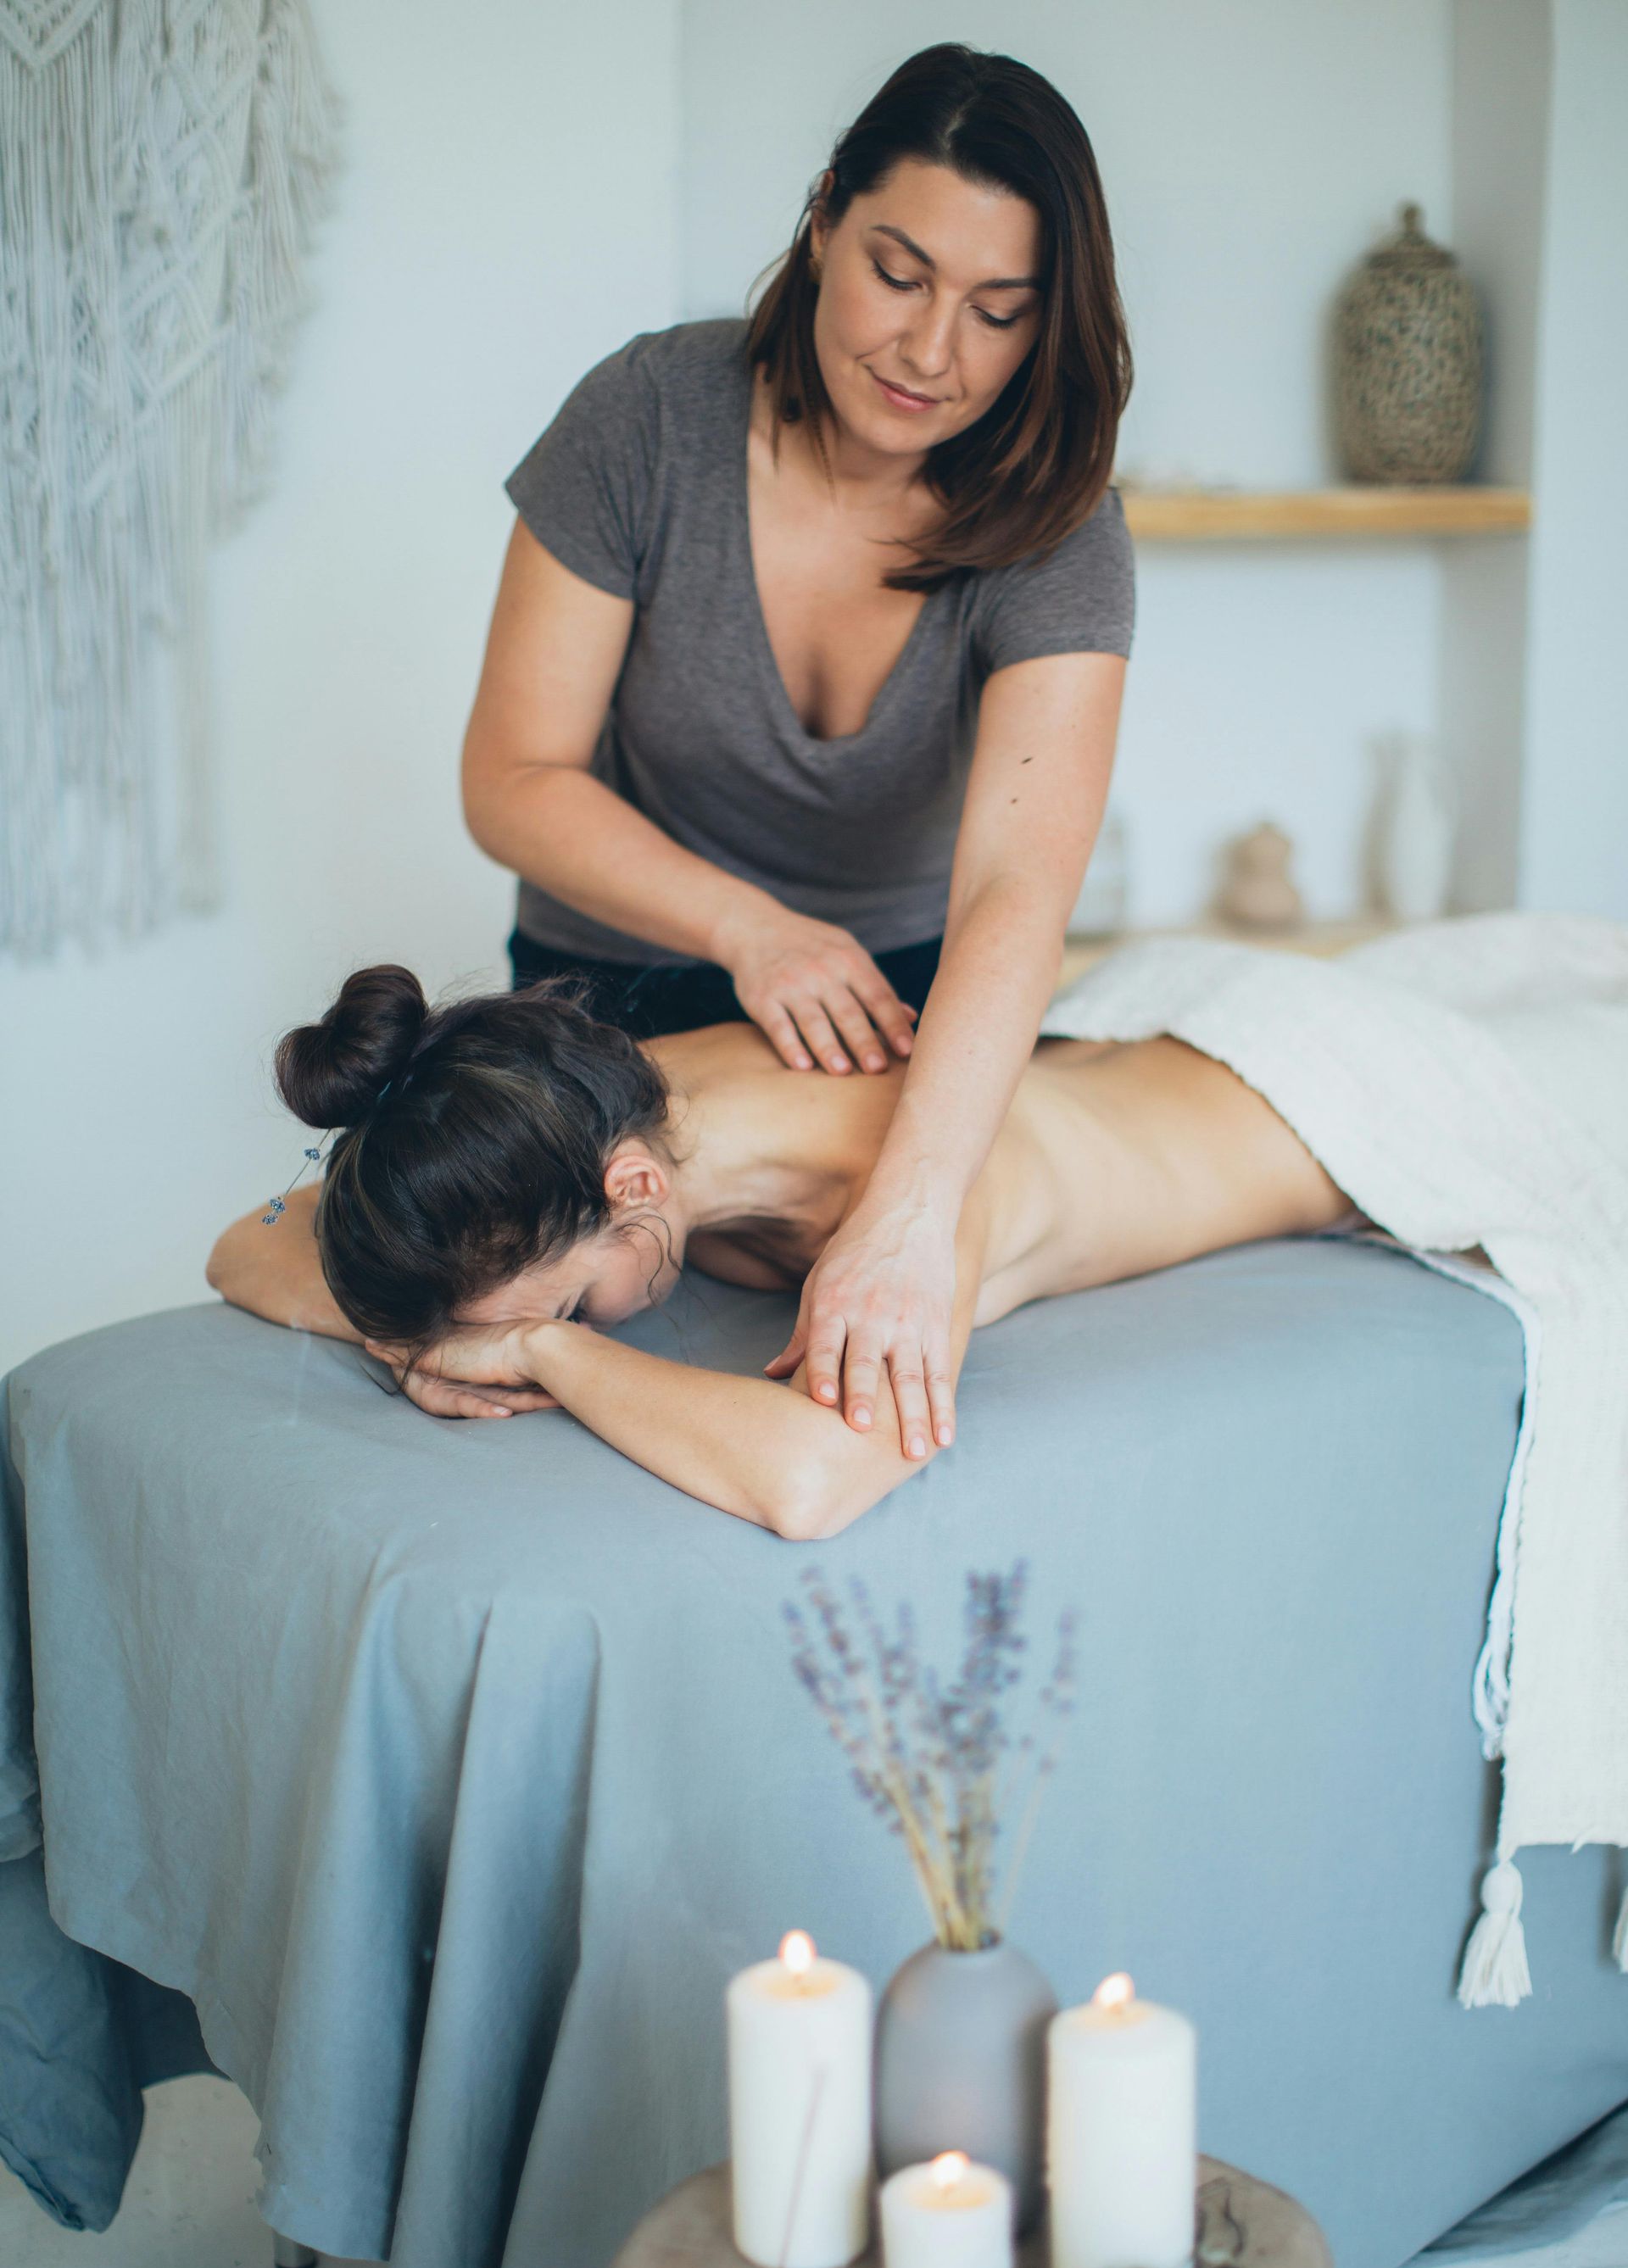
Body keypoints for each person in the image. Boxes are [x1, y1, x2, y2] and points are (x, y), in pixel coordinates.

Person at [462, 42, 1135, 1467]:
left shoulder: (1059, 522)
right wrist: (749, 929)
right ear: (824, 216)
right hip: (617, 995)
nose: (932, 351)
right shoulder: (646, 418)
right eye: (899, 272)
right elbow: (510, 778)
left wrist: (909, 1211)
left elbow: (1017, 891)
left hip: (886, 1017)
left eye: (998, 311)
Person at [206, 966, 1350, 1541]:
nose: (552, 1324)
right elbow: (240, 1251)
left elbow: (815, 1483)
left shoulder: (914, 1191)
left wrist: (541, 1356)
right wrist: (423, 1337)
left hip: (1324, 1109)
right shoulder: (610, 1105)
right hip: (1136, 1010)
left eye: (561, 1304)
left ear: (635, 1193)